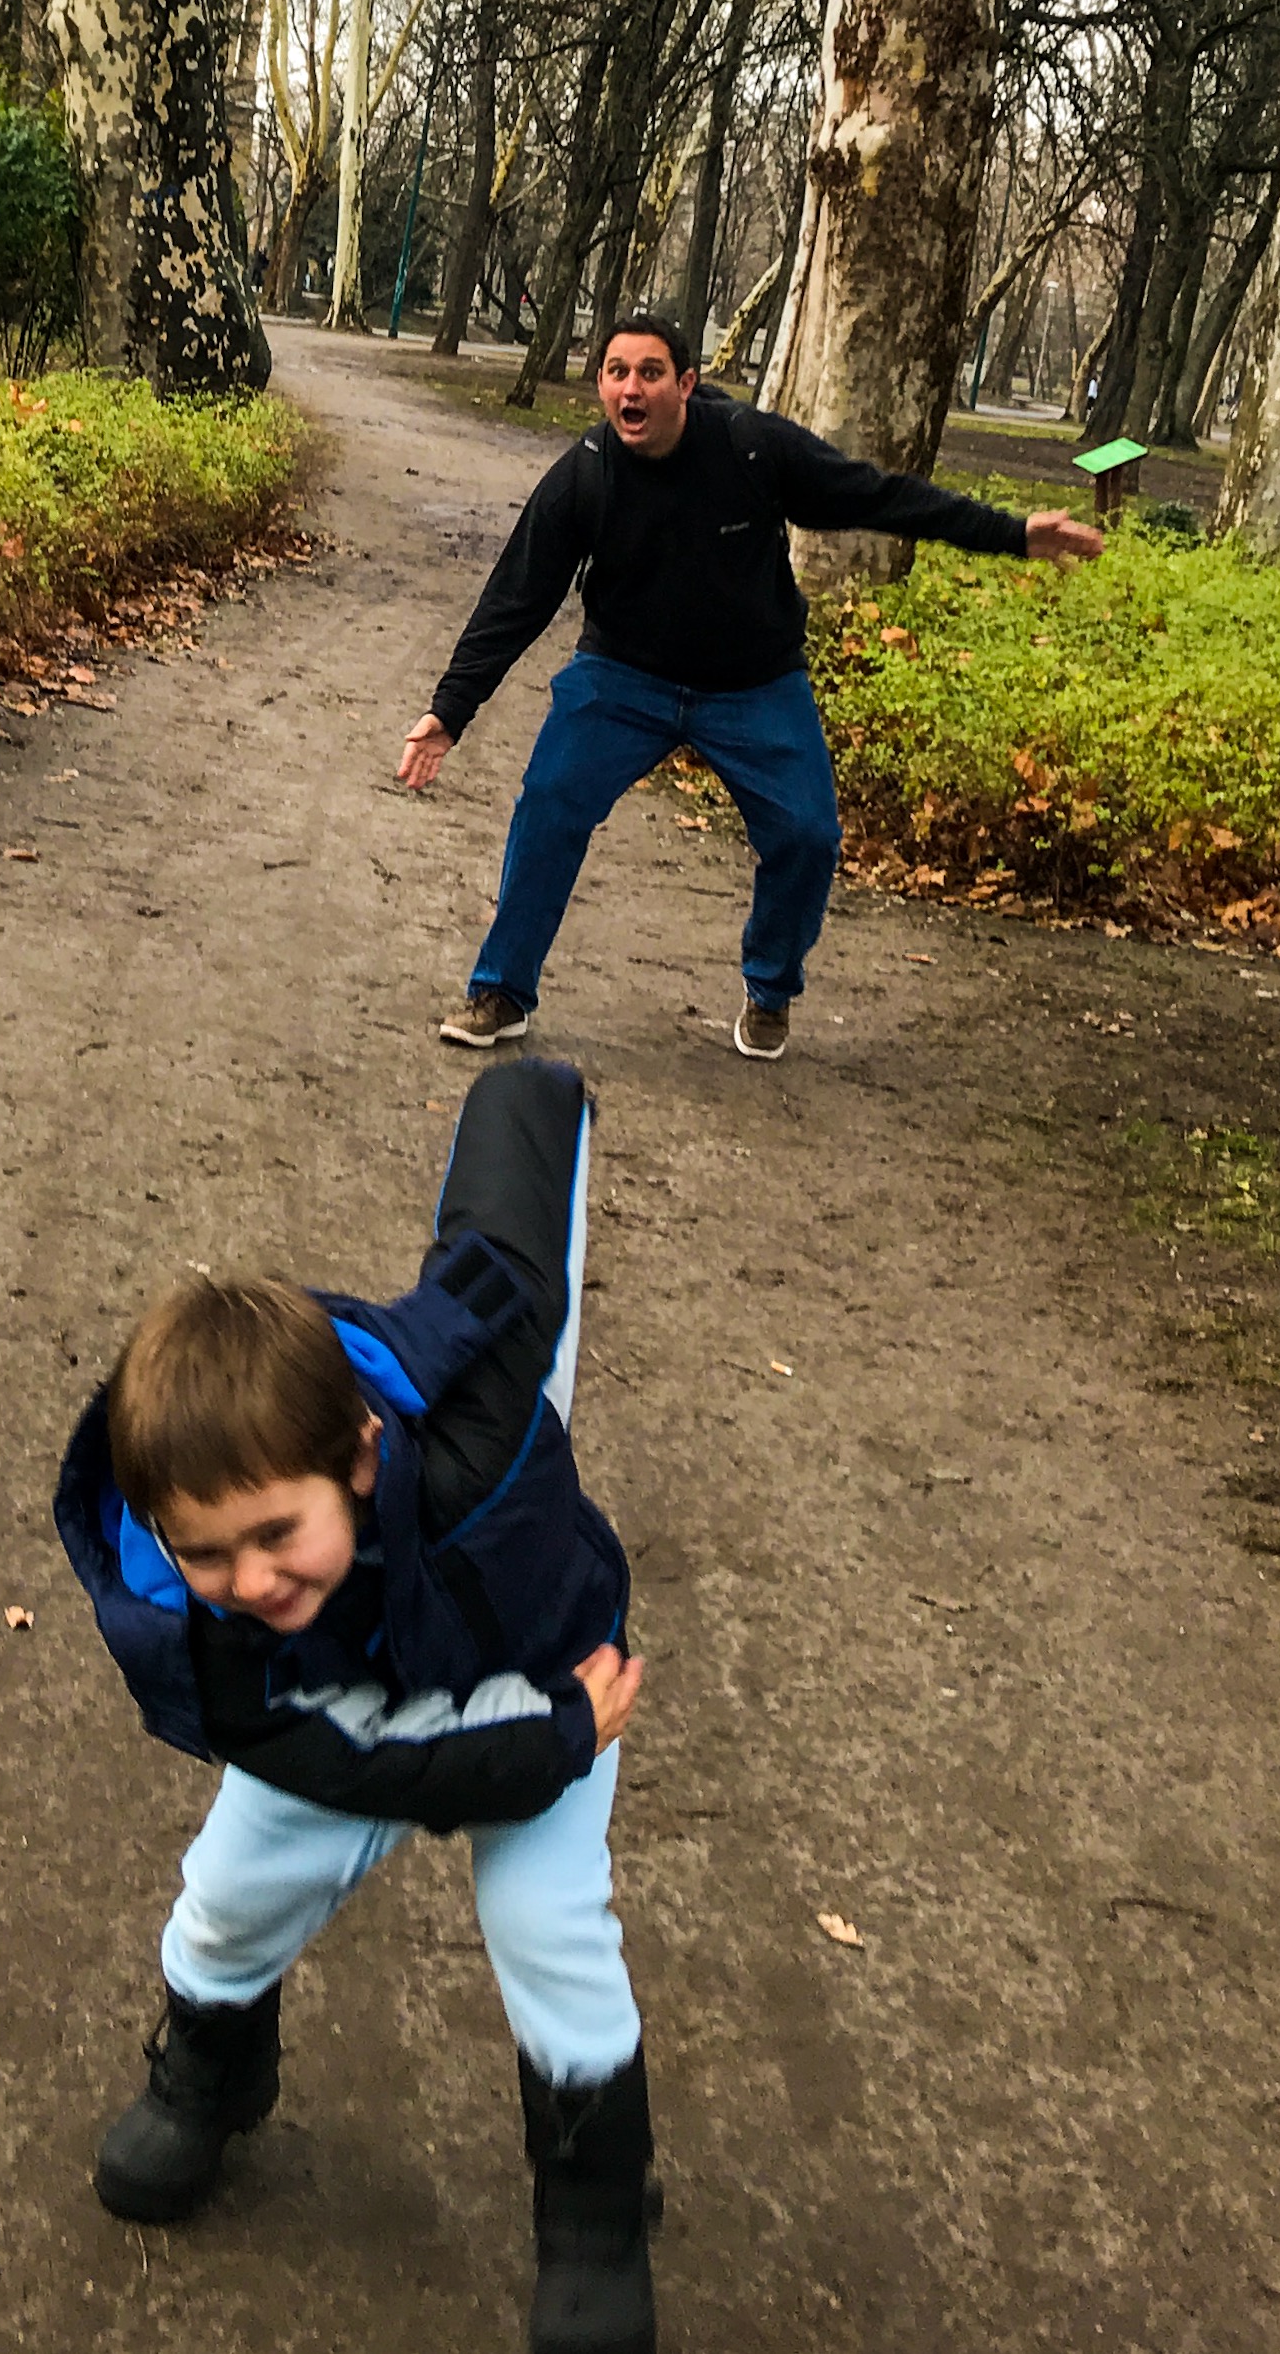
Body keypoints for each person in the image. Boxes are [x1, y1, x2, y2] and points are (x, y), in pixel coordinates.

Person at [55, 1054, 660, 2354]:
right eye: (207, 1547)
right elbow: (360, 1770)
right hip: (363, 1719)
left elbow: (505, 1250)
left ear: (362, 1450)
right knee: (228, 1884)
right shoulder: (199, 1624)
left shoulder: (475, 1441)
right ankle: (214, 2065)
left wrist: (533, 1089)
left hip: (539, 1670)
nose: (248, 1577)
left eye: (277, 1533)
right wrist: (544, 1742)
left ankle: (596, 2211)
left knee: (546, 1918)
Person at [399, 307, 1101, 1061]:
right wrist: (449, 711)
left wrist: (1014, 533)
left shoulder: (752, 449)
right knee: (549, 806)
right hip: (621, 680)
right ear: (601, 385)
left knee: (807, 836)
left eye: (650, 372)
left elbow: (878, 496)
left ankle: (769, 990)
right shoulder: (586, 474)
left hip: (754, 686)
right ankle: (502, 990)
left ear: (687, 384)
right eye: (616, 373)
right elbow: (515, 598)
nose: (631, 388)